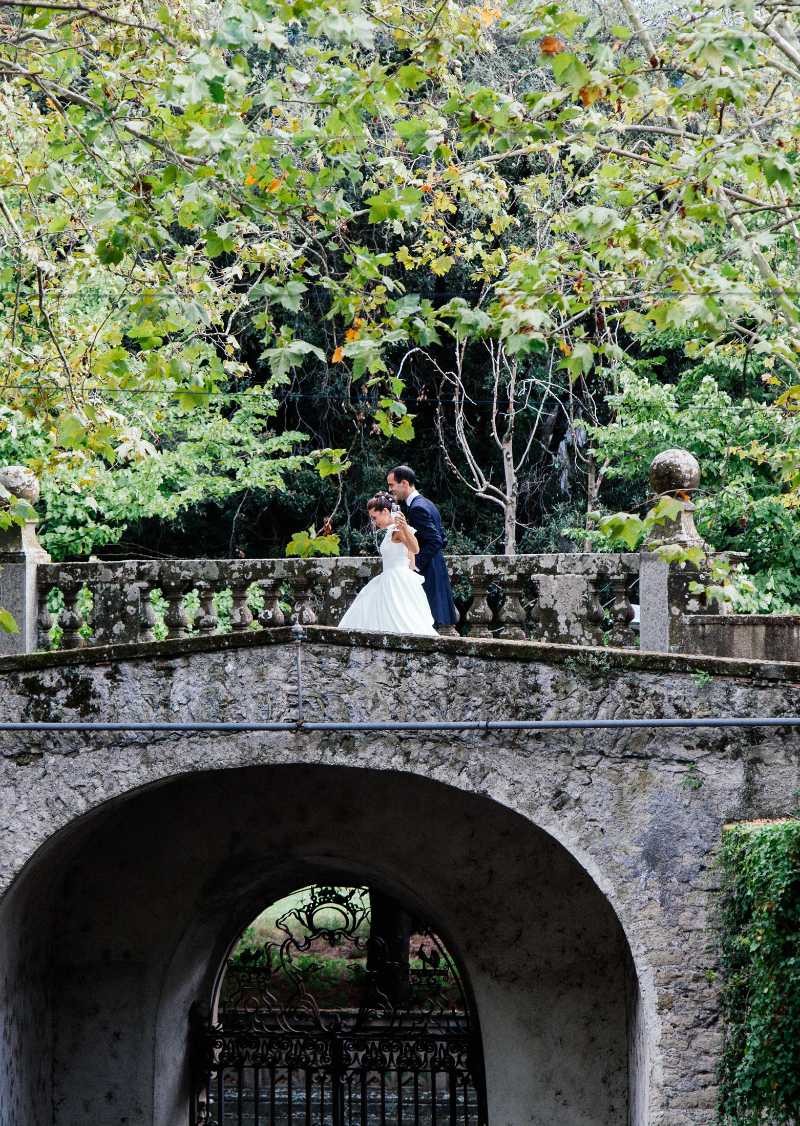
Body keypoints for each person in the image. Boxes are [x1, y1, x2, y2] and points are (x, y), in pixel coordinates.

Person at [338, 492, 438, 636]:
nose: (373, 522)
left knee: (400, 622)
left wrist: (404, 528)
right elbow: (411, 562)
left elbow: (415, 549)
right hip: (391, 579)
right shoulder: (390, 531)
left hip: (396, 580)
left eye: (374, 517)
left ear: (385, 511)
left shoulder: (398, 530)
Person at [386, 465, 458, 631]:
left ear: (404, 483)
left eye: (391, 485)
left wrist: (415, 564)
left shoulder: (417, 508)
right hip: (435, 565)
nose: (390, 490)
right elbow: (442, 539)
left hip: (428, 570)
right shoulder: (427, 503)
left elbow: (435, 541)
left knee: (427, 621)